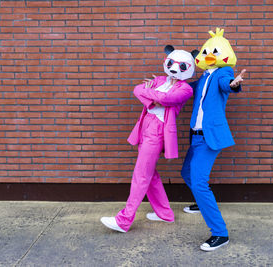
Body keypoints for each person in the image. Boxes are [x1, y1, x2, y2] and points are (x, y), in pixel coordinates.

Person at [100, 45, 198, 233]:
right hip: (146, 126)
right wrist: (156, 97)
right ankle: (165, 214)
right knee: (150, 174)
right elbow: (137, 89)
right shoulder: (161, 79)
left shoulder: (186, 89)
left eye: (182, 66)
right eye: (172, 63)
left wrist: (154, 95)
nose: (175, 68)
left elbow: (169, 99)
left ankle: (124, 220)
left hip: (158, 131)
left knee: (141, 175)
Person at [180, 28, 246, 251]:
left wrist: (233, 84)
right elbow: (188, 90)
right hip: (196, 136)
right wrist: (171, 84)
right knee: (187, 173)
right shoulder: (204, 76)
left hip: (209, 138)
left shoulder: (222, 73)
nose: (208, 54)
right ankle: (201, 203)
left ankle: (220, 233)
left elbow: (227, 84)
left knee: (199, 183)